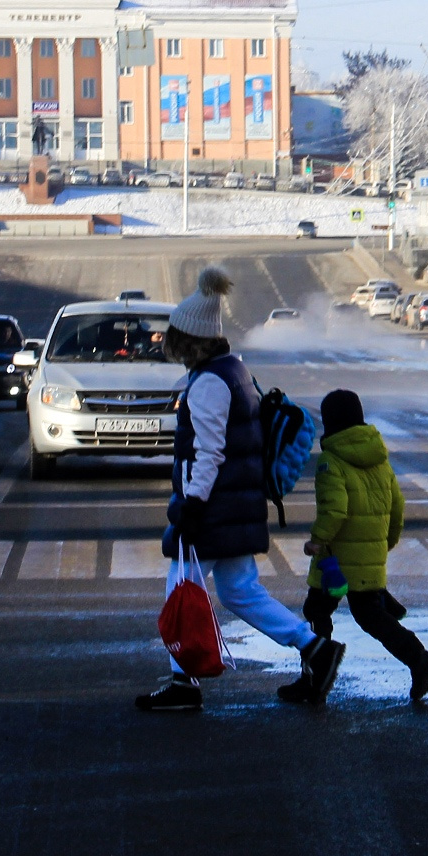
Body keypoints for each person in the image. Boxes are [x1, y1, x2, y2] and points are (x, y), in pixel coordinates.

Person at [137, 266, 345, 712]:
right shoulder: (234, 371)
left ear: (188, 339)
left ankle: (184, 682)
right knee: (240, 592)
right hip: (234, 505)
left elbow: (210, 453)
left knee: (182, 588)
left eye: (172, 337)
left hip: (213, 508)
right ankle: (315, 649)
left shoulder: (210, 383)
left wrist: (192, 505)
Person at [301, 390, 428, 700]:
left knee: (316, 611)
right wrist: (384, 544)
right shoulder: (379, 457)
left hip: (334, 561)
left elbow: (334, 509)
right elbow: (397, 506)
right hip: (369, 556)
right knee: (370, 616)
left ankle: (314, 679)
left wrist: (317, 540)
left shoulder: (331, 460)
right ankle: (419, 659)